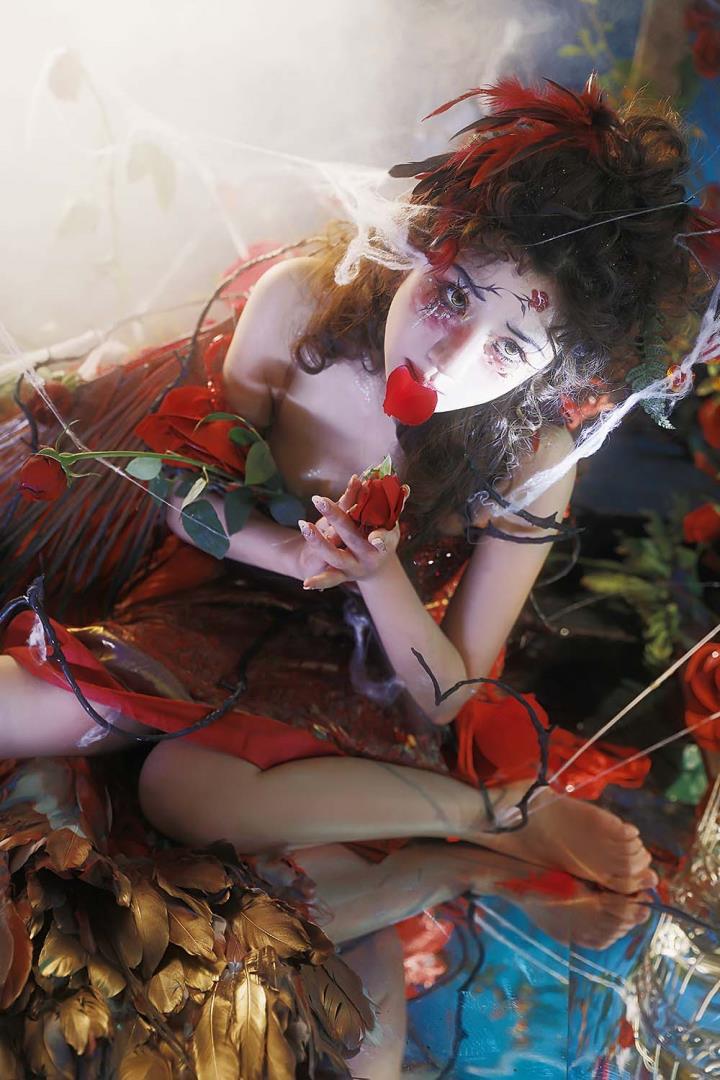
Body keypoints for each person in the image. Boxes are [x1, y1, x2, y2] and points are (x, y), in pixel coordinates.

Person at [0, 74, 707, 1072]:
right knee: (16, 710)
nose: (452, 353)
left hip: (362, 673)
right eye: (452, 296)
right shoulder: (302, 306)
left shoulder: (533, 460)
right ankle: (462, 844)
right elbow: (190, 482)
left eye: (510, 346)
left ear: (557, 370)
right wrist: (285, 549)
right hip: (206, 600)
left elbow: (455, 691)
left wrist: (379, 578)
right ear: (426, 244)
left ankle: (493, 822)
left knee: (185, 794)